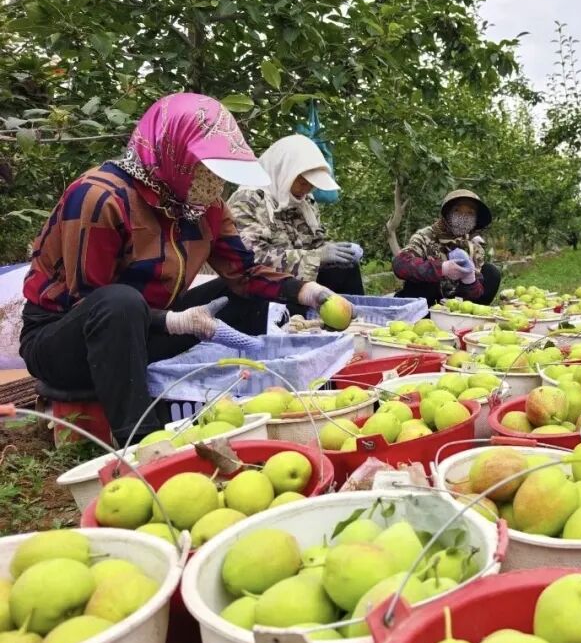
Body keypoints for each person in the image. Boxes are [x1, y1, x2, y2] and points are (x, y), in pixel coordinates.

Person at [20, 93, 347, 444]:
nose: (213, 186)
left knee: (242, 293)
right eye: (204, 171)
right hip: (67, 341)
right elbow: (89, 304)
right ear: (172, 154)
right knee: (119, 302)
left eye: (218, 175)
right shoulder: (101, 197)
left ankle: (249, 393)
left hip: (146, 331)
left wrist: (304, 290)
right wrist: (172, 322)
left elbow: (245, 274)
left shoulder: (206, 206)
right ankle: (142, 443)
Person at [228, 134, 365, 305]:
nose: (306, 189)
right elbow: (251, 262)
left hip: (302, 282)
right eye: (302, 182)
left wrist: (336, 251)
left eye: (311, 184)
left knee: (344, 267)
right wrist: (316, 257)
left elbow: (315, 243)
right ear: (283, 172)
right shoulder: (247, 201)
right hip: (266, 289)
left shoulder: (305, 202)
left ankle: (356, 318)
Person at [392, 189, 501, 306]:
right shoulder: (426, 236)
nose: (463, 217)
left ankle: (465, 319)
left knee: (491, 273)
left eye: (470, 213)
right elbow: (400, 264)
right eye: (457, 211)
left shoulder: (474, 247)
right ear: (447, 214)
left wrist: (469, 280)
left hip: (454, 303)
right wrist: (441, 269)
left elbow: (475, 294)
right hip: (425, 303)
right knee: (427, 277)